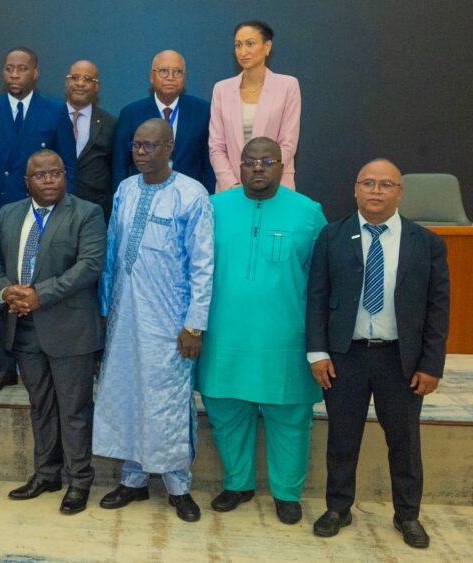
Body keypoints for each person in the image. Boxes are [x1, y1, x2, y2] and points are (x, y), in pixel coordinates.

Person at [307, 159, 449, 549]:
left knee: (405, 442)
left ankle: (407, 515)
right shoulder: (332, 236)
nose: (376, 190)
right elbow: (317, 297)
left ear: (400, 192)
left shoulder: (427, 243)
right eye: (368, 183)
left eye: (386, 184)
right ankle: (338, 508)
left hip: (401, 360)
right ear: (355, 189)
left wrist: (431, 364)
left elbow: (438, 308)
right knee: (342, 438)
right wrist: (317, 353)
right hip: (345, 356)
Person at [197, 137, 326, 524]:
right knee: (226, 411)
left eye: (267, 161)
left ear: (282, 166)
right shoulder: (213, 208)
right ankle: (238, 484)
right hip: (224, 334)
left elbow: (323, 281)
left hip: (285, 337)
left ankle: (287, 493)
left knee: (289, 417)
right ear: (238, 167)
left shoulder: (308, 212)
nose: (257, 167)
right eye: (249, 161)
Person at [93, 119, 213, 523]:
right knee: (128, 395)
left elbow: (203, 265)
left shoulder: (191, 194)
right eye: (136, 145)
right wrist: (105, 308)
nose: (141, 152)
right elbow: (112, 251)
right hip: (125, 317)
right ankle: (134, 480)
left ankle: (178, 486)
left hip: (169, 322)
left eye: (150, 146)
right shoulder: (126, 190)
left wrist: (194, 325)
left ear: (169, 148)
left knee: (167, 402)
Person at [0, 149, 105, 515]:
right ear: (27, 182)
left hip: (70, 330)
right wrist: (6, 292)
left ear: (65, 176)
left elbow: (89, 265)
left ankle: (79, 480)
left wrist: (39, 295)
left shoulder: (87, 213)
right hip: (23, 328)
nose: (49, 180)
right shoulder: (8, 214)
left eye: (55, 173)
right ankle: (47, 474)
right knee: (40, 406)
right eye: (40, 175)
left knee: (74, 410)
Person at [0, 46, 77, 394]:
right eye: (9, 68)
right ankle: (4, 367)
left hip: (45, 213)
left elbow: (68, 165)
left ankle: (45, 356)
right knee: (3, 288)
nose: (14, 75)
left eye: (22, 68)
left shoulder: (55, 110)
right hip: (0, 213)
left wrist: (66, 212)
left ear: (35, 72)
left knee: (40, 286)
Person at [209, 20, 302, 192]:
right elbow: (217, 147)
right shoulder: (221, 89)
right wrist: (233, 185)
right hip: (231, 189)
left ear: (267, 47)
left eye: (250, 44)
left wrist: (262, 179)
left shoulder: (288, 86)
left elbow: (288, 144)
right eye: (238, 45)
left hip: (276, 186)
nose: (243, 51)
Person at [112, 50, 215, 195]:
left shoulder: (203, 111)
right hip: (144, 195)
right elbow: (119, 167)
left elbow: (210, 166)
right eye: (164, 71)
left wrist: (210, 199)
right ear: (151, 76)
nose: (170, 77)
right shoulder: (131, 114)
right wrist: (122, 198)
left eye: (177, 72)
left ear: (184, 77)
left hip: (189, 197)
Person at [63, 60, 116, 220]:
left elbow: (115, 168)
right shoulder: (50, 117)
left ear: (96, 86)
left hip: (94, 210)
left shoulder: (111, 123)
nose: (80, 83)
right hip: (54, 206)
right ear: (66, 82)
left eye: (87, 79)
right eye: (74, 77)